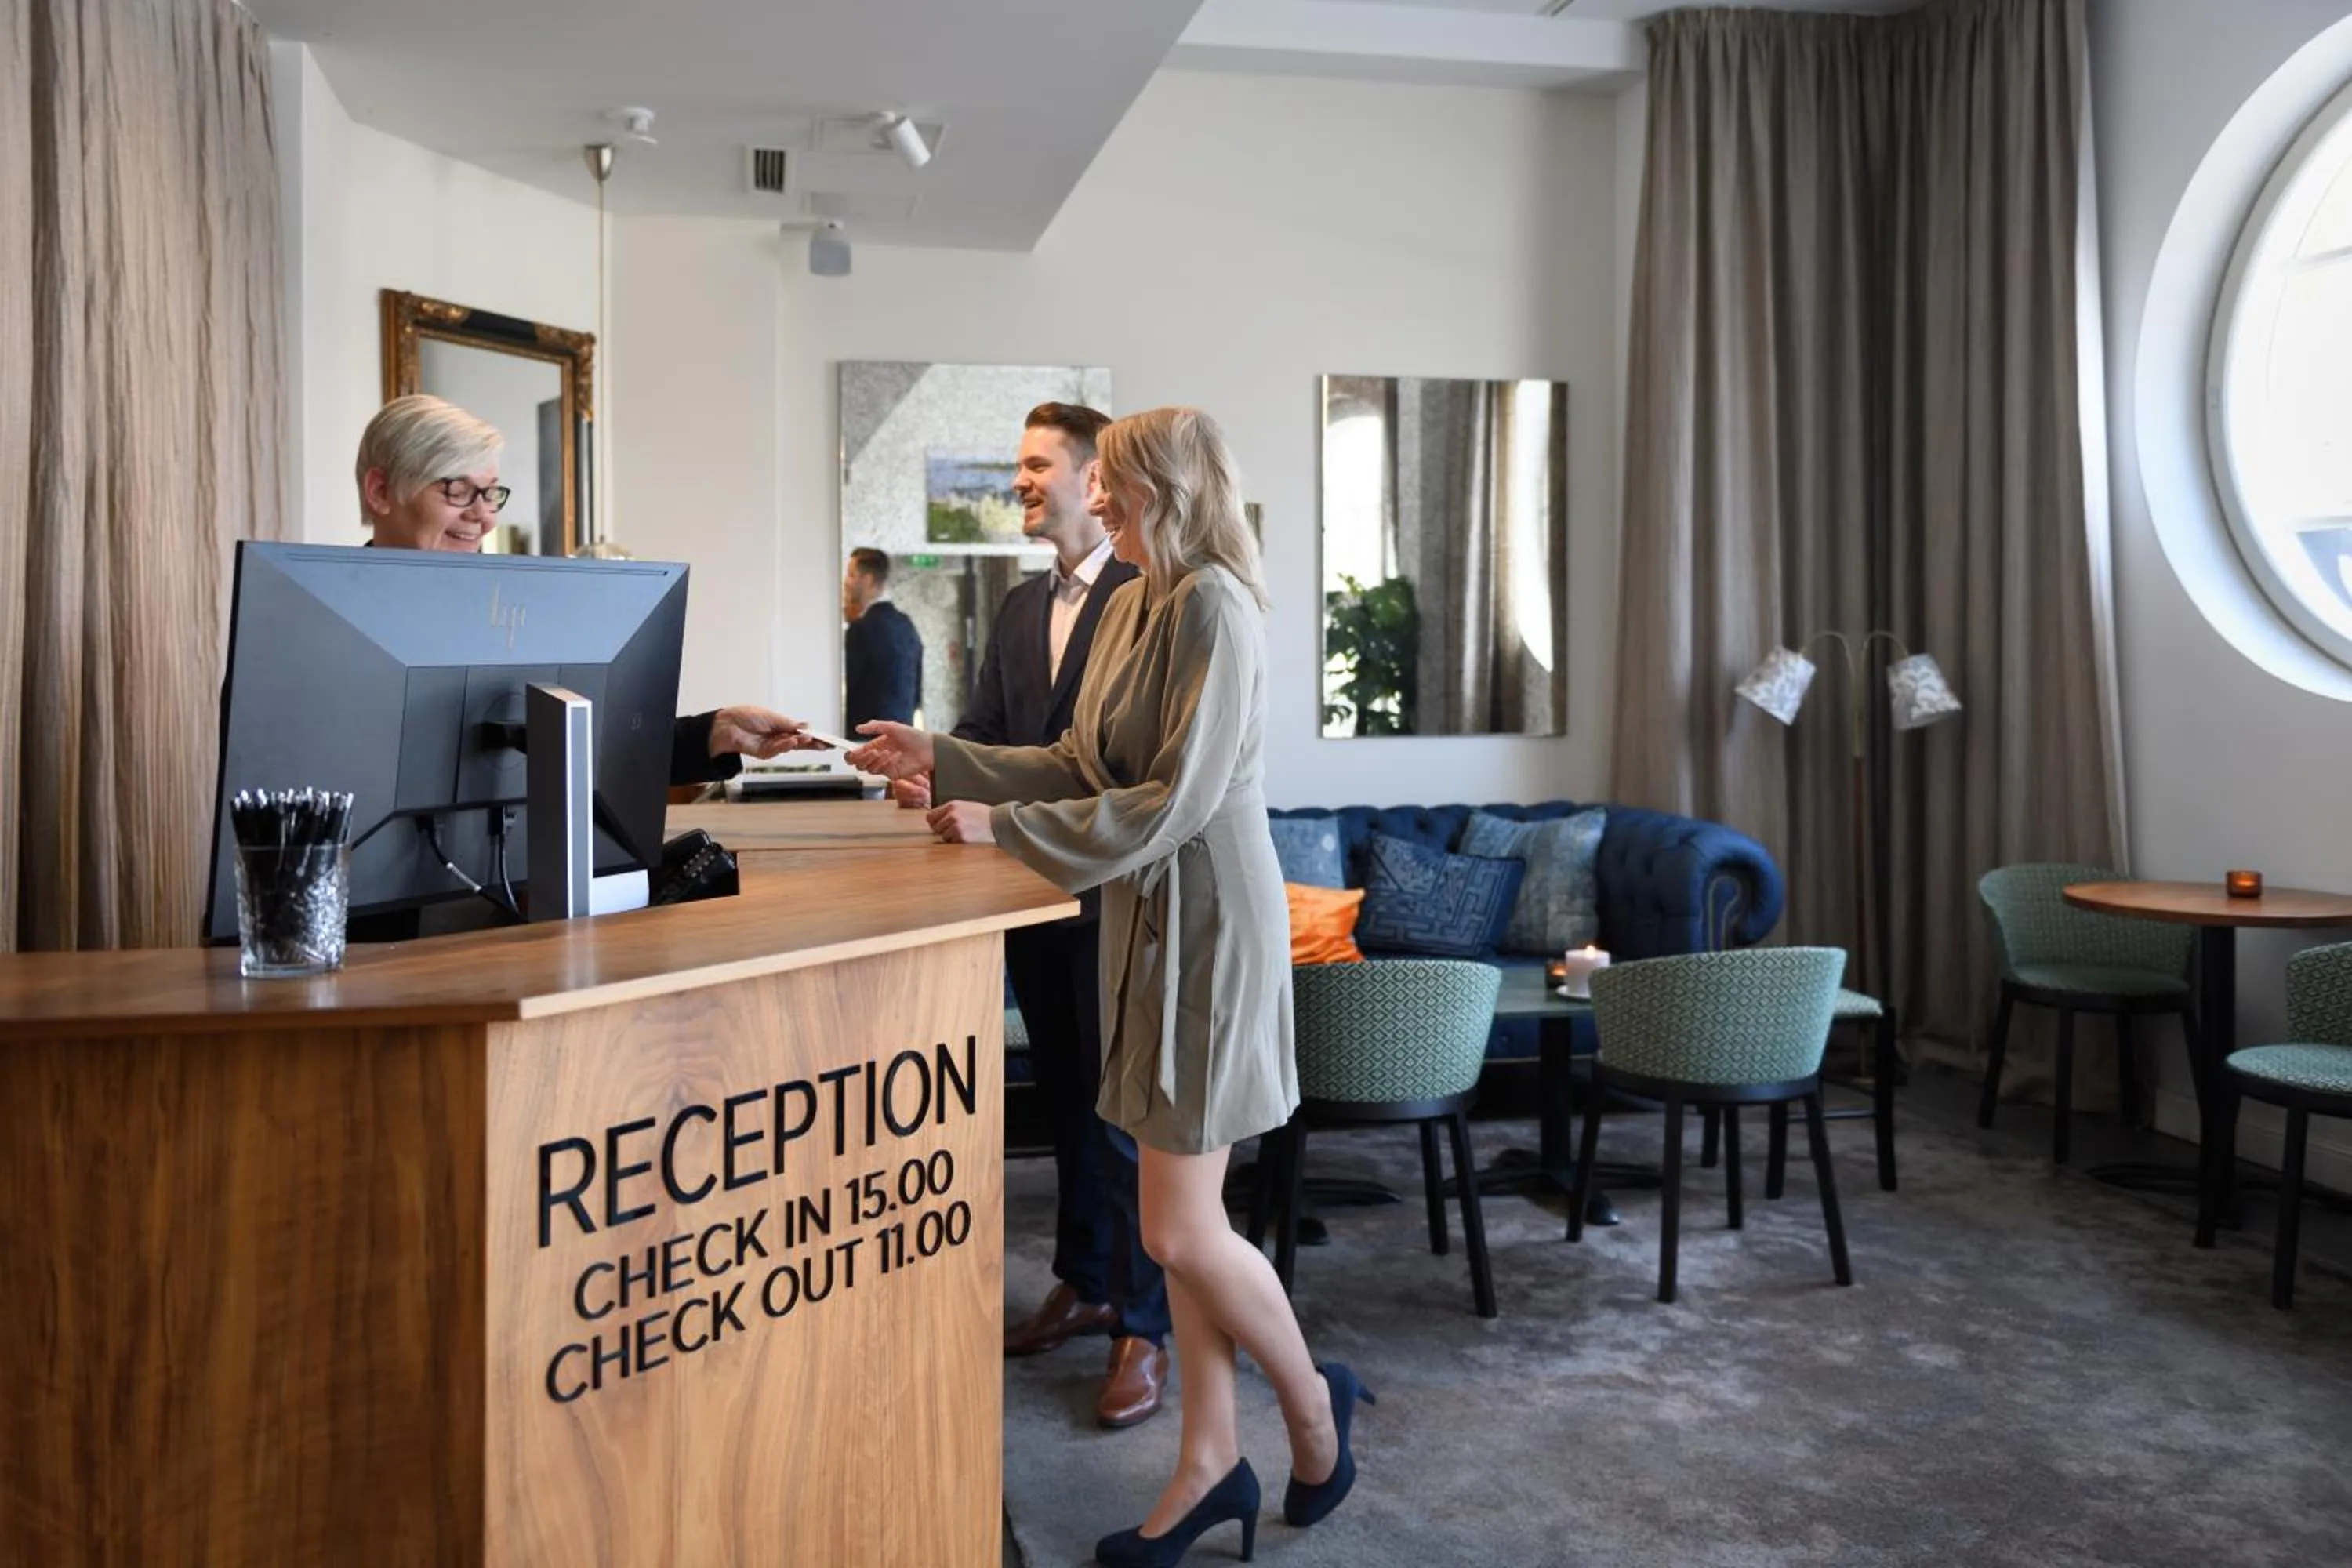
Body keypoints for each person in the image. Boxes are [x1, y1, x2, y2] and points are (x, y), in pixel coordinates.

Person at [850, 408, 1368, 1566]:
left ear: (1169, 492)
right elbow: (1086, 764)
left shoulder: (1218, 606)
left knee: (1180, 1228)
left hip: (1208, 933)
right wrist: (945, 757)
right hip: (1143, 922)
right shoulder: (1136, 600)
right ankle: (1208, 1464)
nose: (1103, 504)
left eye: (1119, 487)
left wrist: (1009, 831)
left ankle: (1314, 1410)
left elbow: (1176, 800)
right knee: (1177, 1228)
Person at [907, 403, 1170, 1428]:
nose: (1017, 481)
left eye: (1032, 464)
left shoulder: (1151, 600)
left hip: (1115, 898)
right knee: (1063, 1102)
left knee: (1122, 1121)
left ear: (1093, 475)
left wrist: (1000, 811)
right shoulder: (1020, 609)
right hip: (1030, 904)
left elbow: (1125, 774)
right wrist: (925, 764)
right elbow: (981, 730)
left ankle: (1144, 1326)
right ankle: (1087, 1279)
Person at [354, 394, 820, 784]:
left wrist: (715, 733)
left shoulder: (518, 612)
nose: (484, 515)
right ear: (380, 492)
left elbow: (580, 748)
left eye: (491, 492)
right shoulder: (320, 627)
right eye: (457, 490)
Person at [841, 546, 923, 731]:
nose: (846, 582)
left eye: (851, 575)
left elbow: (846, 695)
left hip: (866, 742)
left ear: (868, 580)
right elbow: (916, 695)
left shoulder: (861, 629)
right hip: (903, 738)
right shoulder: (907, 626)